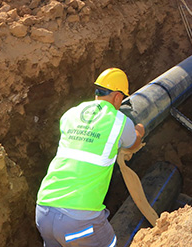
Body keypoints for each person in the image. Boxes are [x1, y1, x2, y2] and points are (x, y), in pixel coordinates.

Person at [36, 68, 145, 247]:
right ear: (117, 97)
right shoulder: (118, 121)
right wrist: (139, 130)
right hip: (78, 220)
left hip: (44, 212)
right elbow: (132, 144)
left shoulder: (70, 114)